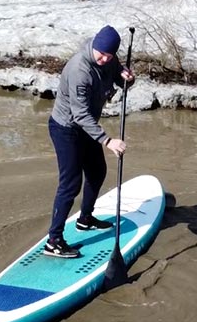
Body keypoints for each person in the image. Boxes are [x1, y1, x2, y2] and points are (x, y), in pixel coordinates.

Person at [44, 25, 135, 258]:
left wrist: (127, 77)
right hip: (66, 129)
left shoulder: (110, 60)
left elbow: (117, 75)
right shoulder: (79, 70)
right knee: (70, 184)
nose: (104, 59)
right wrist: (108, 141)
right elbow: (80, 114)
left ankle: (85, 219)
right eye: (101, 54)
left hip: (86, 128)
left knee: (96, 171)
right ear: (94, 45)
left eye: (109, 55)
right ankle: (53, 241)